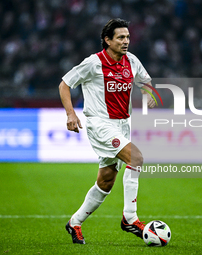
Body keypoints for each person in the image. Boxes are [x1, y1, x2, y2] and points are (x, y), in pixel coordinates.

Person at [59, 18, 155, 244]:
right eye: (121, 37)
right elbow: (65, 84)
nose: (126, 41)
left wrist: (148, 94)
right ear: (107, 40)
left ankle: (74, 222)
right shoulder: (93, 63)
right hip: (100, 123)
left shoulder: (131, 61)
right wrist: (71, 114)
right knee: (137, 158)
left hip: (122, 124)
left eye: (128, 37)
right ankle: (130, 218)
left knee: (106, 181)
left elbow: (146, 82)